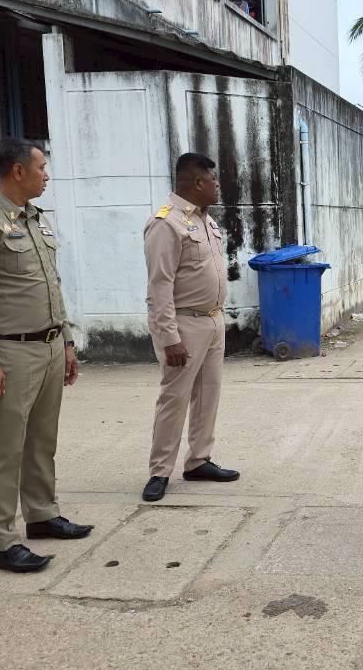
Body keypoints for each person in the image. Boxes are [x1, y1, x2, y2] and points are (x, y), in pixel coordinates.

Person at [0, 138, 93, 573]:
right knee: (5, 448)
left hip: (49, 347)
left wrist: (65, 342)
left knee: (41, 441)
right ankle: (1, 541)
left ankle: (42, 515)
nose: (46, 175)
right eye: (41, 167)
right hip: (11, 352)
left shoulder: (35, 218)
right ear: (18, 171)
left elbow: (53, 285)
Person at [141, 152, 240, 503]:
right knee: (175, 398)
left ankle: (199, 460)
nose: (218, 185)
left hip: (212, 320)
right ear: (197, 183)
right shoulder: (166, 223)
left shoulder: (204, 220)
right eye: (213, 180)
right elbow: (160, 285)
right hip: (183, 324)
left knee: (208, 394)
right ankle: (159, 471)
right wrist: (170, 338)